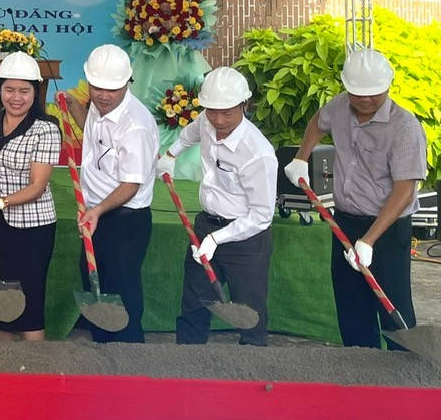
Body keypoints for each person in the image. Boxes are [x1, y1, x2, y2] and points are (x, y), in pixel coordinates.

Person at [285, 49, 425, 350]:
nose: (365, 99)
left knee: (392, 305)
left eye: (373, 93)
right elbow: (318, 121)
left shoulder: (405, 127)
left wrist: (369, 240)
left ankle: (406, 367)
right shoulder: (339, 107)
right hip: (346, 221)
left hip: (387, 230)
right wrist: (301, 158)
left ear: (388, 86)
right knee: (351, 304)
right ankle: (361, 365)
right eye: (358, 93)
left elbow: (404, 191)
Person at [156, 67, 276, 346]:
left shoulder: (257, 153)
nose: (218, 120)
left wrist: (217, 239)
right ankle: (188, 361)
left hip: (246, 241)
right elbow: (190, 133)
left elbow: (261, 215)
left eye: (227, 113)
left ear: (244, 105)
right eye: (212, 112)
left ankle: (254, 367)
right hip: (206, 225)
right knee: (194, 304)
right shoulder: (207, 122)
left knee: (249, 314)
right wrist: (171, 155)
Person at [62, 44, 159, 343]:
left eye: (112, 89)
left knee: (121, 294)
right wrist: (72, 105)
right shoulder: (99, 106)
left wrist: (97, 210)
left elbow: (131, 185)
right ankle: (101, 351)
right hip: (97, 213)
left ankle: (129, 356)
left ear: (127, 82)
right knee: (96, 288)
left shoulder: (136, 126)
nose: (104, 95)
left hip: (124, 219)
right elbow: (94, 132)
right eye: (97, 88)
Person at [0, 52, 60, 342]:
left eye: (24, 91)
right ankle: (3, 364)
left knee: (29, 301)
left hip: (32, 227)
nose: (16, 98)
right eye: (9, 89)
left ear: (35, 92)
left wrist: (0, 202)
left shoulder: (46, 129)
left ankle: (33, 367)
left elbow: (37, 186)